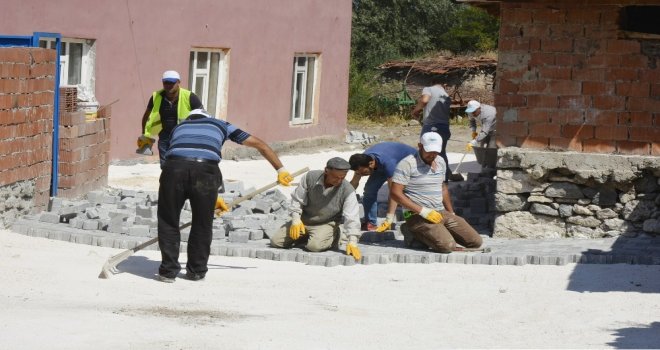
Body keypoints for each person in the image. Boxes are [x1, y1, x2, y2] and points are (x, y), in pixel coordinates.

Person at [156, 109, 294, 283]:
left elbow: (181, 156)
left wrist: (214, 194)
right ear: (209, 118)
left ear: (190, 118)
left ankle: (168, 272)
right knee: (202, 222)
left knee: (169, 221)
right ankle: (196, 271)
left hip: (173, 169)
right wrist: (280, 169)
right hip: (206, 172)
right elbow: (261, 145)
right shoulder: (221, 124)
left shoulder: (179, 126)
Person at [390, 132, 482, 253]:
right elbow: (395, 193)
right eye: (429, 151)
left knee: (475, 242)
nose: (433, 155)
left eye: (436, 151)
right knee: (447, 246)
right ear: (420, 146)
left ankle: (438, 232)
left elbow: (442, 188)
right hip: (416, 215)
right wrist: (423, 211)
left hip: (440, 212)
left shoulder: (440, 161)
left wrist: (451, 212)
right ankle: (411, 231)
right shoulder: (407, 164)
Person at [269, 157, 362, 261]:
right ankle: (307, 236)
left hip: (326, 223)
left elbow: (352, 216)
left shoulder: (348, 190)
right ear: (326, 170)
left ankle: (334, 235)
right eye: (336, 177)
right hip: (303, 221)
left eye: (342, 177)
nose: (339, 180)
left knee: (314, 247)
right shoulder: (310, 177)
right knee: (276, 242)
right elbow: (297, 199)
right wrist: (295, 219)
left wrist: (352, 240)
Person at [138, 70, 203, 166]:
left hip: (183, 137)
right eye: (166, 82)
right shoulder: (156, 96)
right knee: (165, 166)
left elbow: (202, 115)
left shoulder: (190, 97)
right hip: (164, 136)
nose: (168, 85)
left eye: (172, 83)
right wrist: (144, 134)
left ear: (178, 83)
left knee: (181, 164)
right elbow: (146, 115)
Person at [348, 142, 417, 232]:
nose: (361, 175)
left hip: (411, 162)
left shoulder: (388, 162)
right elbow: (354, 182)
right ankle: (370, 223)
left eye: (363, 173)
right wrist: (342, 199)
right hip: (380, 166)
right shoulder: (361, 161)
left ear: (371, 164)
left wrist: (389, 218)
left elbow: (394, 192)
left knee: (405, 194)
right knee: (369, 191)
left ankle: (413, 218)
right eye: (358, 173)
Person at [411, 77, 453, 181]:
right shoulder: (446, 96)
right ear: (443, 85)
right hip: (444, 127)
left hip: (432, 126)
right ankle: (445, 177)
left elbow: (425, 100)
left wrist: (416, 110)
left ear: (432, 83)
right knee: (441, 152)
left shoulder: (428, 89)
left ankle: (423, 176)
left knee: (424, 151)